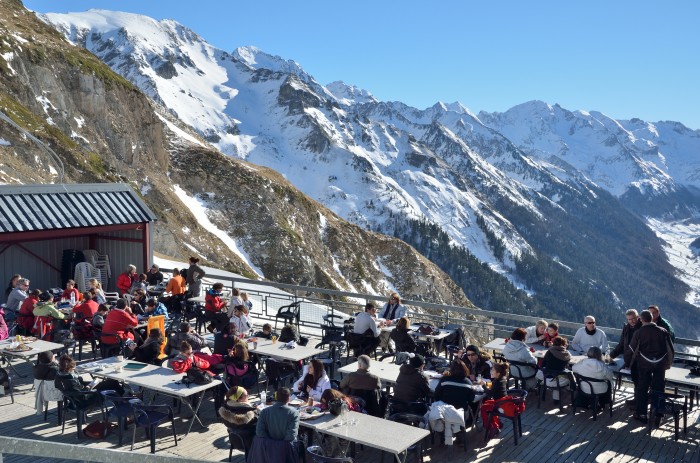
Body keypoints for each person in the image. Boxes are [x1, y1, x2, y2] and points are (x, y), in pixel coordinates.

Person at [624, 309, 674, 424]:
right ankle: (658, 414)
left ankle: (642, 414)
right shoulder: (663, 331)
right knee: (659, 388)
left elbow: (631, 350)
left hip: (644, 365)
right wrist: (668, 364)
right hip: (660, 365)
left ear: (641, 320)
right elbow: (670, 349)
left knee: (642, 388)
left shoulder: (639, 332)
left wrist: (627, 363)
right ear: (651, 318)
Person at [219, 386, 258, 451]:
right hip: (249, 443)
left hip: (234, 440)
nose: (248, 396)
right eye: (246, 395)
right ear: (239, 399)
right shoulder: (249, 414)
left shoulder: (225, 409)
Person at [535, 336, 572, 402]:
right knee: (566, 374)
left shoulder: (549, 352)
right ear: (564, 344)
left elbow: (543, 364)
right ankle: (558, 397)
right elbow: (567, 366)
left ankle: (539, 390)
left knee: (540, 372)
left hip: (547, 378)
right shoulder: (567, 354)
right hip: (559, 379)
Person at [480, 362, 510, 437]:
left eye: (493, 370)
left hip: (500, 404)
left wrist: (483, 386)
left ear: (498, 373)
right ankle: (497, 423)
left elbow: (490, 394)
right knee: (487, 403)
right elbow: (494, 390)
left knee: (483, 408)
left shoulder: (497, 381)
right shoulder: (501, 379)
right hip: (503, 401)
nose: (491, 372)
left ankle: (491, 427)